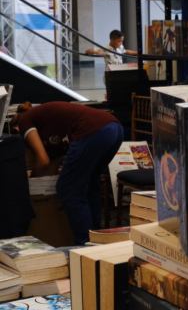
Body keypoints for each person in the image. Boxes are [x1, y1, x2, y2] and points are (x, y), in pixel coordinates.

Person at [9, 102, 123, 245]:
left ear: (16, 130)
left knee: (68, 190)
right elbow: (51, 167)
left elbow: (42, 161)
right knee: (90, 183)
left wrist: (30, 186)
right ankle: (96, 237)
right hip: (114, 128)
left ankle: (85, 244)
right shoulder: (50, 132)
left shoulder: (25, 121)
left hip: (92, 131)